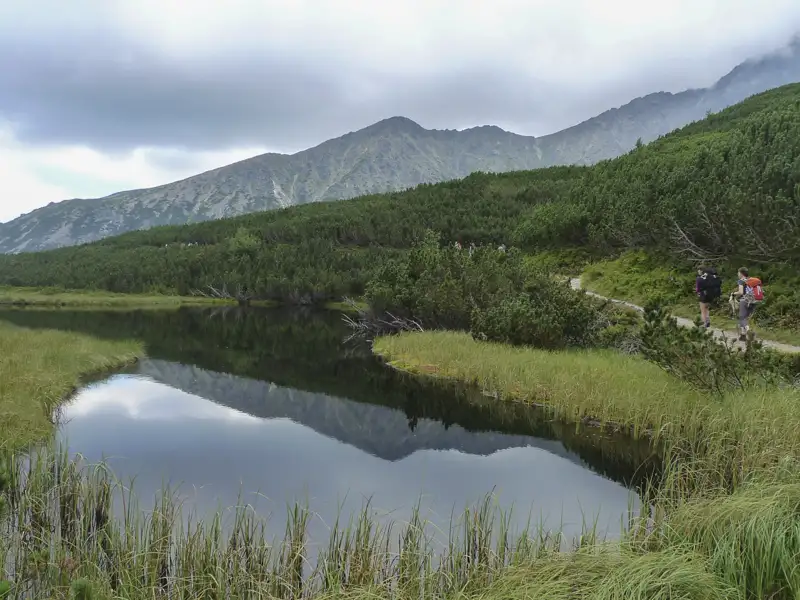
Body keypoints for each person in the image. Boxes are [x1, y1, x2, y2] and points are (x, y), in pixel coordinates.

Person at [730, 267, 765, 341]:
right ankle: (743, 335)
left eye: (738, 272)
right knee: (746, 318)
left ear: (741, 273)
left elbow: (741, 292)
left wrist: (733, 293)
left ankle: (748, 331)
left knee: (742, 317)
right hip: (755, 300)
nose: (737, 274)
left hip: (745, 300)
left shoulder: (741, 281)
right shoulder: (751, 280)